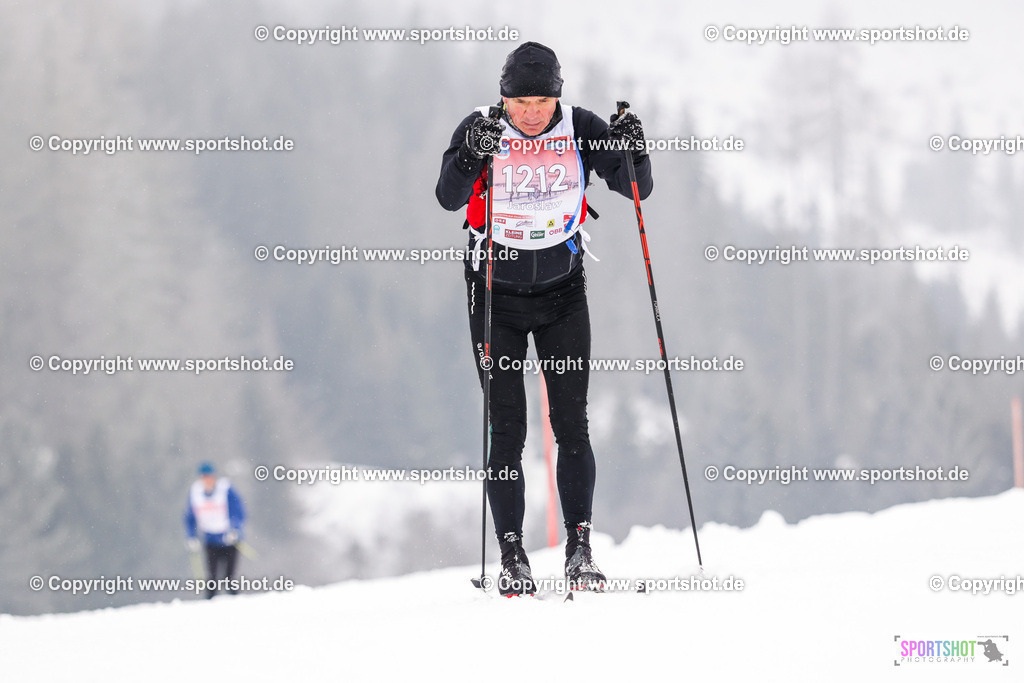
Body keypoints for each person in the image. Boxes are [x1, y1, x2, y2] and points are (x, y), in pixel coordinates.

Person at [436, 41, 652, 596]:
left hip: (562, 296)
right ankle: (513, 555)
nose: (530, 113)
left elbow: (636, 188)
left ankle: (579, 548)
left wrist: (635, 151)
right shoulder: (481, 127)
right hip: (495, 299)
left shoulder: (580, 127)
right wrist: (470, 156)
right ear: (503, 97)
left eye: (541, 101)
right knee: (506, 430)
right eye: (519, 101)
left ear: (558, 95)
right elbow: (446, 197)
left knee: (571, 424)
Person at [183, 462, 247, 598]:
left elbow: (238, 511)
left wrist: (235, 529)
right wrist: (191, 536)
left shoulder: (226, 489)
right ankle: (209, 604)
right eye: (204, 477)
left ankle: (236, 602)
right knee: (212, 578)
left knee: (229, 578)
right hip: (210, 540)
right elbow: (190, 517)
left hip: (230, 540)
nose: (207, 480)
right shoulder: (196, 493)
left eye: (209, 477)